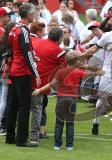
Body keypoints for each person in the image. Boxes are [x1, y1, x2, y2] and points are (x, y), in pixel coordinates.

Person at [32, 51, 104, 150]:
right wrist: (97, 73)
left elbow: (51, 84)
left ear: (66, 60)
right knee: (70, 123)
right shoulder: (77, 72)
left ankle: (57, 145)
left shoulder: (60, 72)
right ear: (76, 62)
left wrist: (39, 90)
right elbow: (88, 74)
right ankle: (69, 145)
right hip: (72, 100)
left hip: (61, 99)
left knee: (59, 122)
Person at [5, 3, 40, 147]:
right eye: (34, 13)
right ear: (30, 15)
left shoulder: (14, 29)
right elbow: (26, 54)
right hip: (22, 73)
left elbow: (11, 51)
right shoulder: (24, 31)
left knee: (12, 105)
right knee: (24, 107)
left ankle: (10, 137)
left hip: (13, 71)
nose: (35, 15)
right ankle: (21, 139)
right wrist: (36, 73)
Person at [30, 28, 65, 143]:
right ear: (59, 39)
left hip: (27, 80)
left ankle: (19, 133)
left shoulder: (38, 41)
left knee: (23, 109)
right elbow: (63, 70)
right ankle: (35, 136)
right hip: (41, 85)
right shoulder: (58, 51)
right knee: (37, 109)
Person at [0, 7, 15, 135]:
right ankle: (2, 124)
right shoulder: (2, 31)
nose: (9, 18)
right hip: (4, 69)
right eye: (7, 15)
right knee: (4, 98)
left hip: (4, 68)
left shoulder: (4, 31)